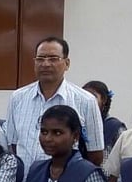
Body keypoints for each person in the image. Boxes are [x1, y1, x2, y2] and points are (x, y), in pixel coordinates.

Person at [6, 37, 105, 170]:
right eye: (40, 59)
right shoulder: (17, 98)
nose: (46, 64)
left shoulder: (86, 101)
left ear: (67, 63)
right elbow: (13, 145)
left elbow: (95, 153)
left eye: (53, 59)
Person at [82, 80, 125, 158]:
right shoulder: (79, 125)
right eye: (83, 97)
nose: (87, 101)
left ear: (104, 100)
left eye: (92, 97)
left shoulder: (115, 127)